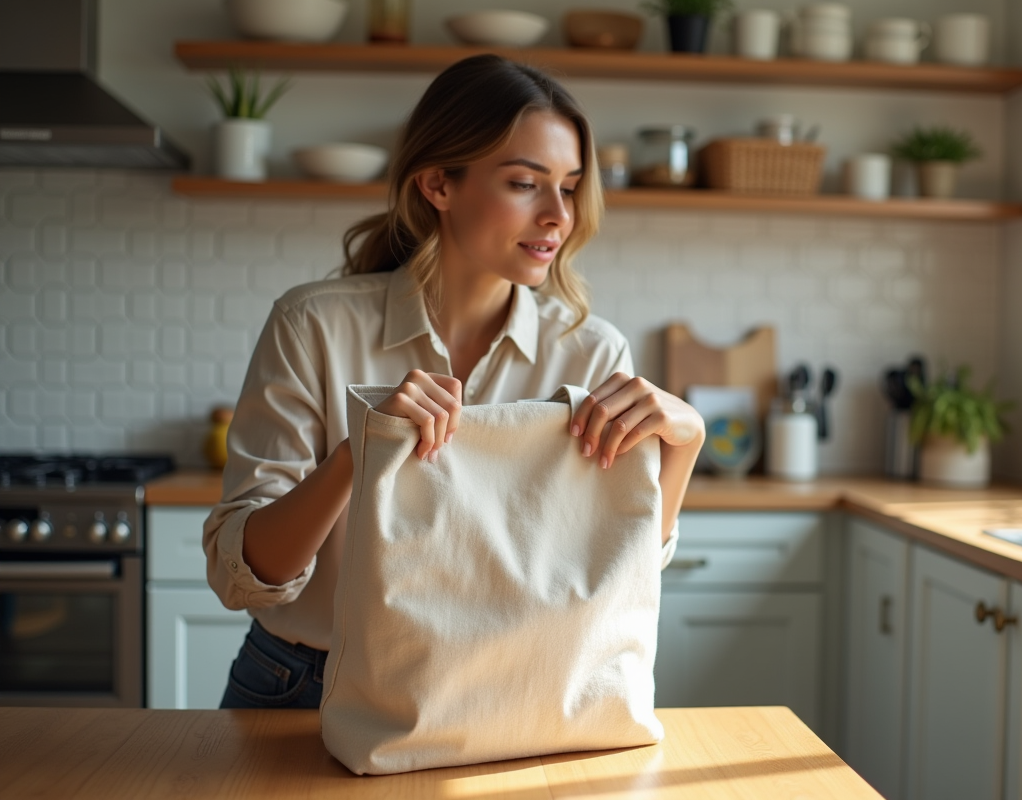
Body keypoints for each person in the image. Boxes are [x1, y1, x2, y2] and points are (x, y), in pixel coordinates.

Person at [203, 54, 705, 710]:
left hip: (504, 694)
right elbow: (244, 578)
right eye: (527, 183)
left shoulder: (590, 350)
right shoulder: (312, 324)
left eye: (571, 185)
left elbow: (618, 568)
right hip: (304, 685)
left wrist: (684, 446)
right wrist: (361, 452)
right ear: (438, 184)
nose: (560, 215)